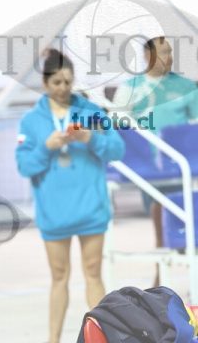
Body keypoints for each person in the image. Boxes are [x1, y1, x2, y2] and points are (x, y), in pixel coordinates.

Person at [15, 49, 125, 343]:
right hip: (55, 213)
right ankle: (53, 339)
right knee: (59, 276)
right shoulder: (31, 122)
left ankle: (104, 338)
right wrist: (46, 147)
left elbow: (118, 150)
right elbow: (24, 166)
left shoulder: (92, 113)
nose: (63, 88)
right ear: (45, 83)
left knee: (93, 273)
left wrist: (92, 138)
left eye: (67, 81)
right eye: (56, 83)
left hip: (91, 208)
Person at [113, 36, 198, 285]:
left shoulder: (186, 87)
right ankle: (161, 277)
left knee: (188, 218)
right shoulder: (131, 88)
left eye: (170, 52)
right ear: (147, 56)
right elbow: (117, 124)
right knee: (161, 215)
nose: (169, 58)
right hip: (150, 168)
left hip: (184, 167)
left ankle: (182, 265)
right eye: (163, 53)